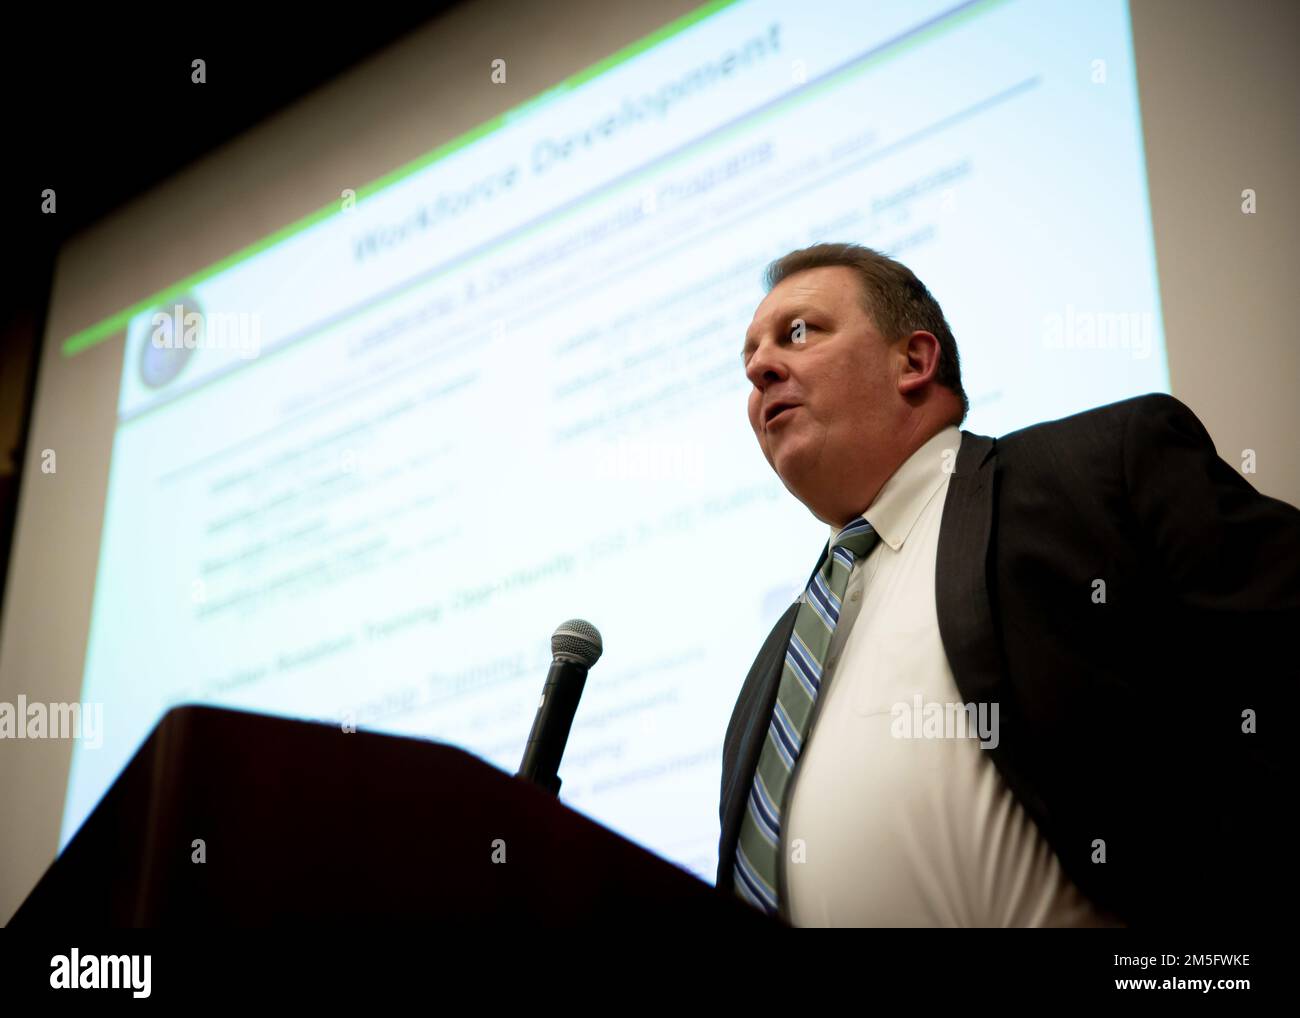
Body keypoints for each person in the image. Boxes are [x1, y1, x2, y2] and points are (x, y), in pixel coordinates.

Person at [717, 242, 1296, 927]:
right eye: (750, 358)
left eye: (799, 333)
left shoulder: (1099, 473)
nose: (759, 368)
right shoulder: (772, 677)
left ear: (914, 361)